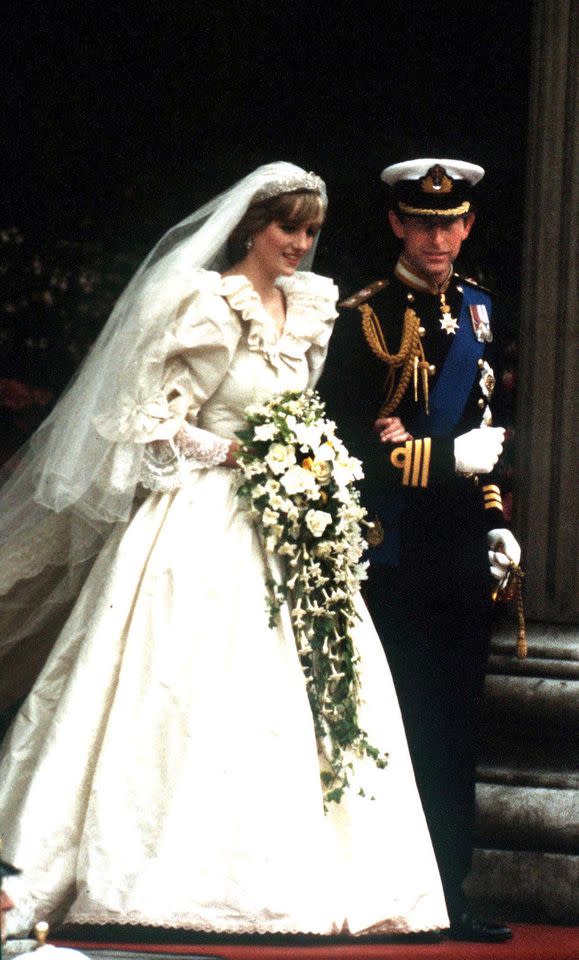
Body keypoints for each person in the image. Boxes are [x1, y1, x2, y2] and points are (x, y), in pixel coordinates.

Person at [0, 162, 448, 939]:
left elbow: (301, 408)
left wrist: (303, 461)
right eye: (287, 230)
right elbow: (152, 419)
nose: (300, 247)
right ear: (251, 227)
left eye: (310, 232)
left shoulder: (308, 309)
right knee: (178, 679)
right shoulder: (208, 307)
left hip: (286, 521)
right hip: (203, 513)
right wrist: (243, 455)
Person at [318, 158, 521, 943]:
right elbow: (340, 445)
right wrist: (441, 461)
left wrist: (496, 516)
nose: (438, 236)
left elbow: (487, 436)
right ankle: (397, 890)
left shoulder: (476, 311)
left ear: (467, 225)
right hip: (391, 549)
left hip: (460, 548)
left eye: (451, 222)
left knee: (458, 723)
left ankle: (451, 892)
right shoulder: (364, 317)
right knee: (402, 723)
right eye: (422, 222)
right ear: (398, 225)